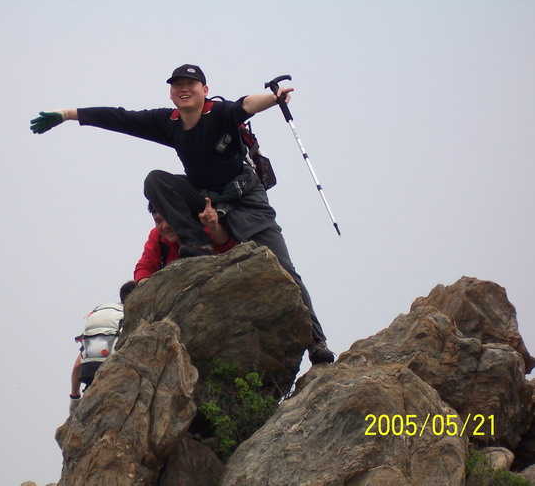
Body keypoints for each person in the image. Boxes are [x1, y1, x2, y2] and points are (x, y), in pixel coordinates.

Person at [31, 64, 334, 364]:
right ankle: (197, 245)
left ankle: (316, 341)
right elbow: (121, 117)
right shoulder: (170, 122)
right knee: (156, 180)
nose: (184, 89)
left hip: (246, 199)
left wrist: (274, 98)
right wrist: (67, 114)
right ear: (171, 93)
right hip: (205, 198)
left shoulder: (219, 113)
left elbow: (245, 105)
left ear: (205, 90)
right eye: (177, 85)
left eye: (191, 84)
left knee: (284, 267)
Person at [69, 280, 136, 413]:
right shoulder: (129, 317)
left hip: (90, 375)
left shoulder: (108, 318)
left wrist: (74, 399)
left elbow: (77, 366)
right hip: (117, 376)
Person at [135, 197, 236, 283]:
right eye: (158, 221)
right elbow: (145, 266)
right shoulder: (157, 235)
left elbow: (229, 249)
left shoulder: (202, 225)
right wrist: (144, 290)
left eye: (169, 217)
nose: (165, 225)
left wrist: (214, 227)